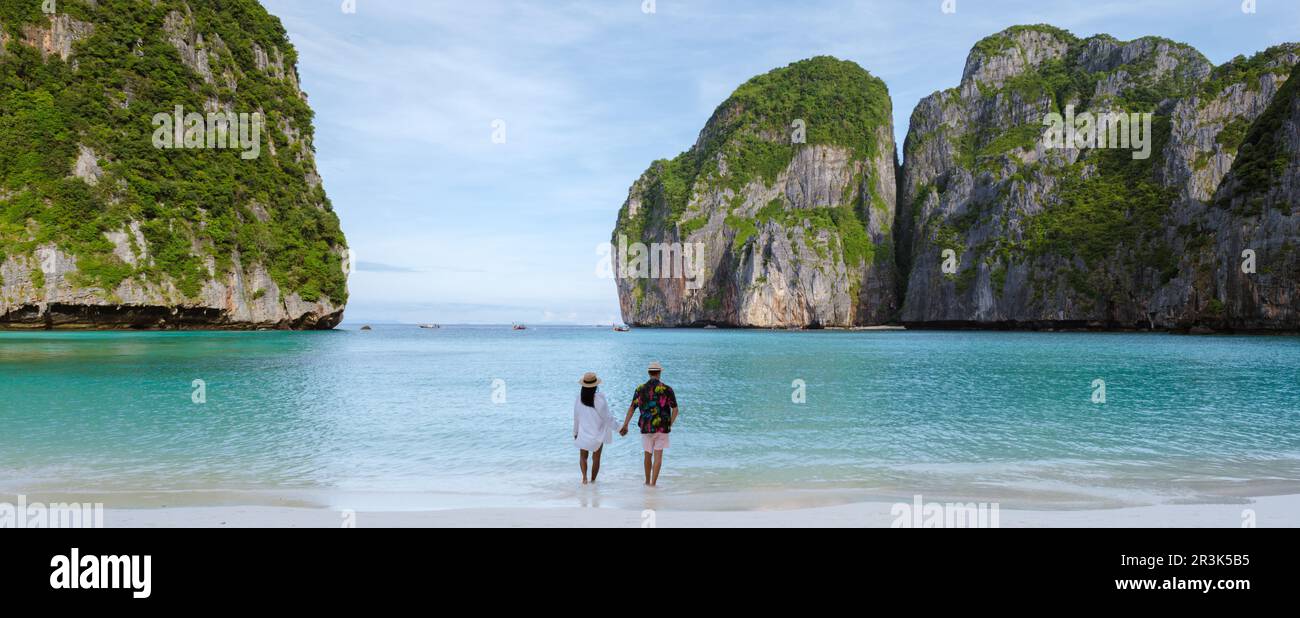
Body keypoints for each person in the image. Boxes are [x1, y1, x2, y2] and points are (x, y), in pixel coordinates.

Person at [620, 361, 678, 487]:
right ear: (660, 372)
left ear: (648, 373)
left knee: (647, 455)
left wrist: (625, 425)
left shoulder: (640, 389)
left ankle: (646, 481)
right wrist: (670, 424)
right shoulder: (667, 389)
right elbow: (675, 409)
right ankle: (653, 484)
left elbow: (632, 408)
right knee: (658, 457)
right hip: (662, 428)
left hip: (646, 427)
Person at [573, 372, 615, 485]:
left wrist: (575, 432)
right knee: (596, 458)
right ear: (595, 385)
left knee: (583, 457)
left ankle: (584, 478)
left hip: (583, 433)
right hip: (597, 433)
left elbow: (576, 417)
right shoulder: (600, 399)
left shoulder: (579, 398)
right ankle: (593, 481)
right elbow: (607, 417)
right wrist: (619, 428)